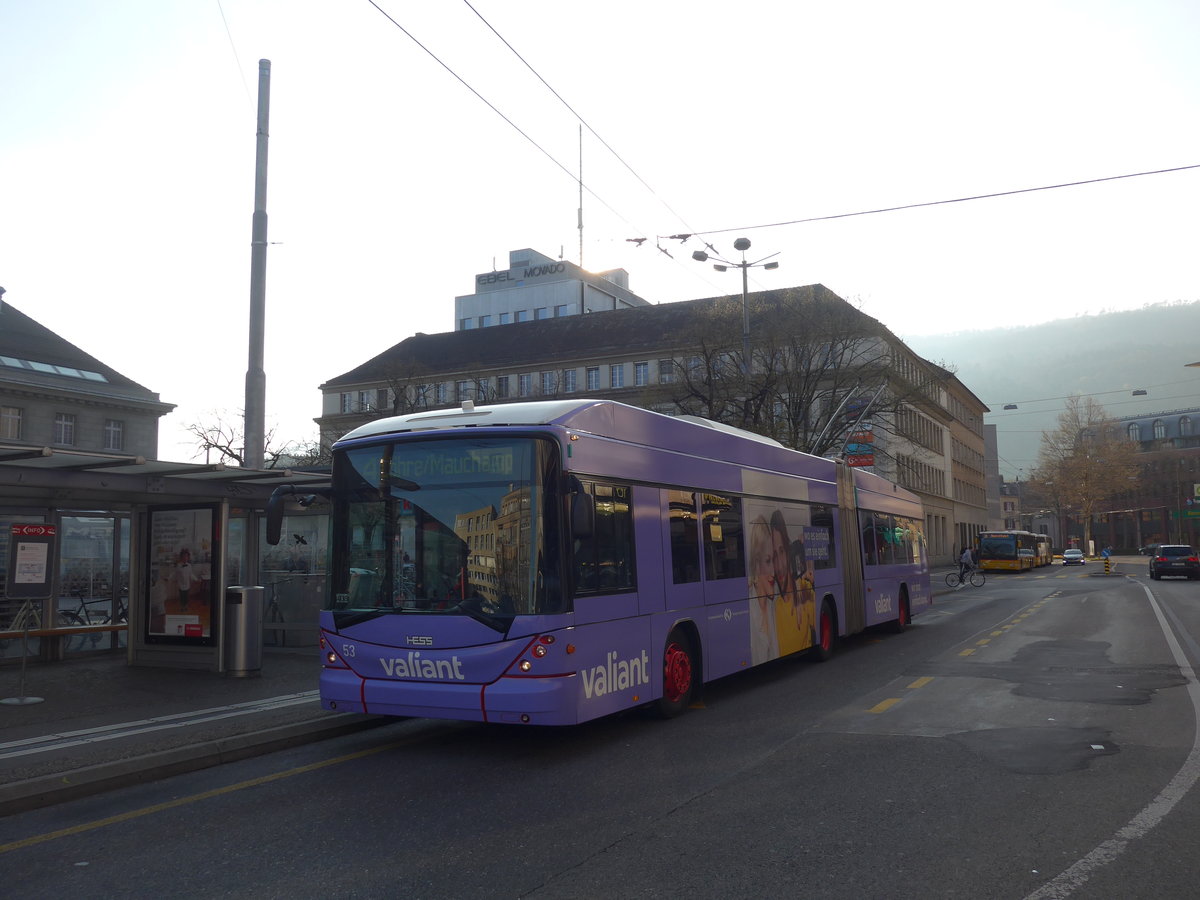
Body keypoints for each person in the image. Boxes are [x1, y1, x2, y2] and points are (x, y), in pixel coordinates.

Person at [748, 516, 779, 664]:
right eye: (768, 561)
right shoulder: (748, 612)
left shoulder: (776, 604)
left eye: (774, 560)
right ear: (756, 564)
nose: (774, 572)